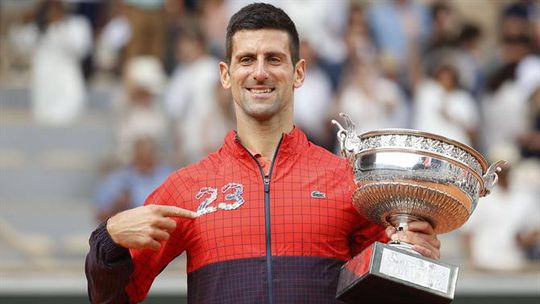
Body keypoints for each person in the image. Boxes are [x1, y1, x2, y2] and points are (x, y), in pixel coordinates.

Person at [85, 3, 440, 303]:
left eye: (274, 59)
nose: (259, 72)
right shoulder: (188, 187)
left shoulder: (349, 181)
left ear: (298, 72)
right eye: (246, 60)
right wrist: (110, 238)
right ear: (226, 75)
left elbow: (389, 294)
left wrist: (415, 259)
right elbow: (113, 298)